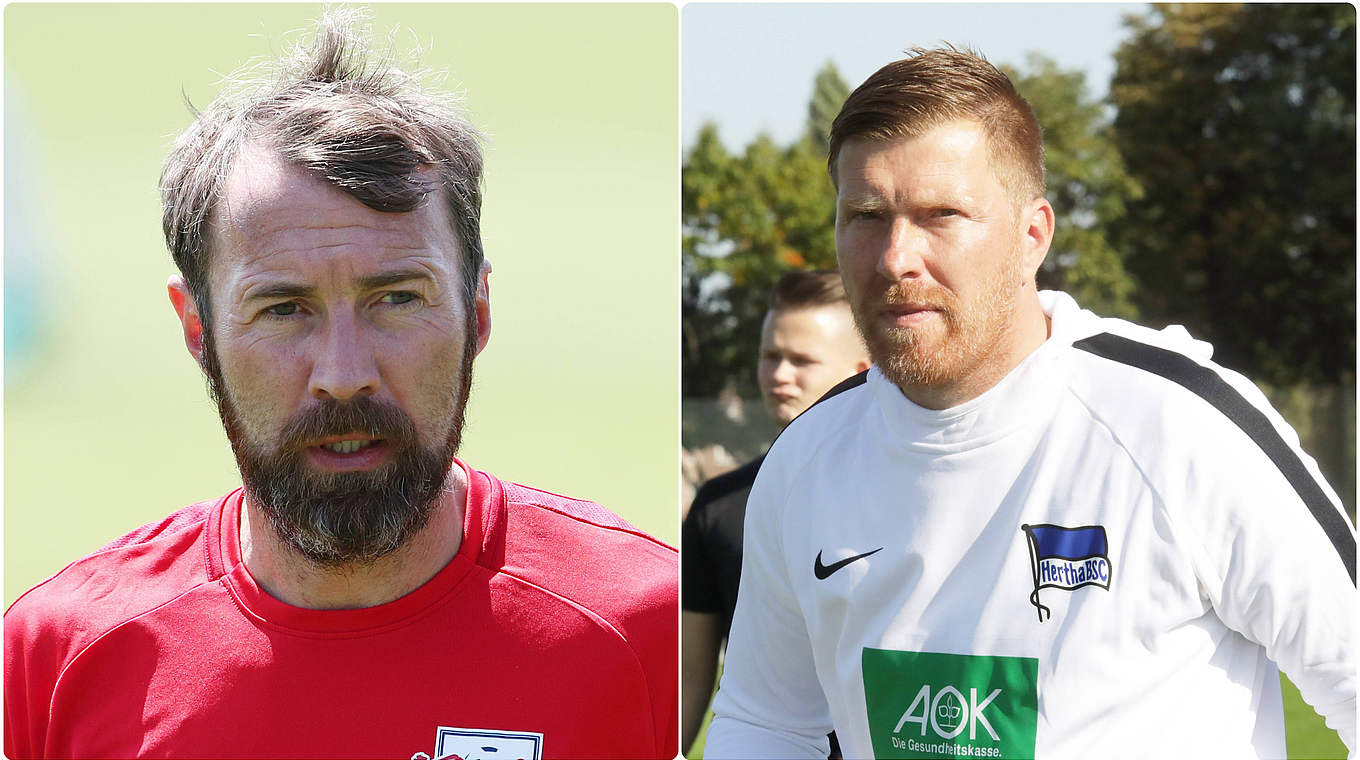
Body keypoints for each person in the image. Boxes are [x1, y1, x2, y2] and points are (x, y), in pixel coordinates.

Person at [3, 12, 676, 759]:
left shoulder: (652, 633)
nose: (344, 374)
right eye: (285, 309)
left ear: (476, 309)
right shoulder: (55, 661)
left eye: (396, 299)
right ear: (199, 330)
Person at [704, 47, 1355, 760]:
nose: (895, 257)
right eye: (866, 215)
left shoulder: (1178, 425)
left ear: (1031, 236)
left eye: (941, 215)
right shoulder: (807, 459)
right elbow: (769, 723)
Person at [682, 270, 869, 753]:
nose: (779, 375)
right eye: (771, 357)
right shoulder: (718, 505)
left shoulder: (913, 495)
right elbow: (689, 681)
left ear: (862, 369)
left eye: (801, 360)